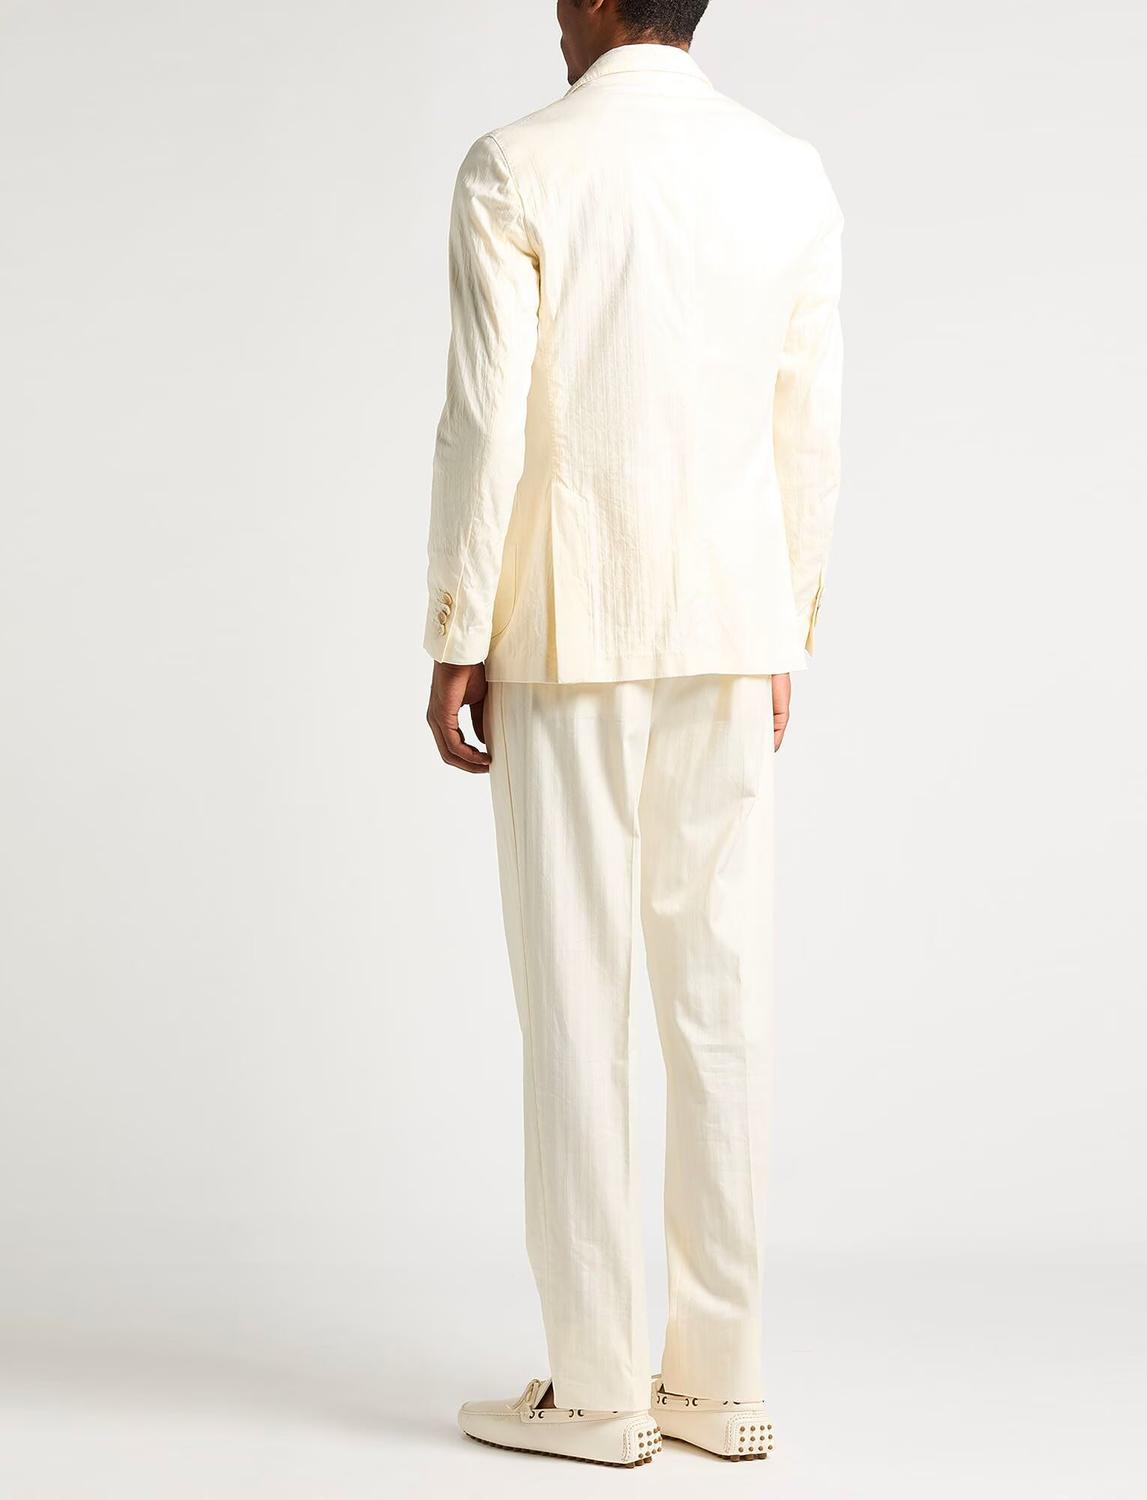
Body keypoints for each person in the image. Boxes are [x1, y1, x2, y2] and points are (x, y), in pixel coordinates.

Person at [424, 0, 842, 1467]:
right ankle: (719, 1386)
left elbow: (486, 418)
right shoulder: (787, 171)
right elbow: (808, 423)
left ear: (600, 2)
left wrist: (456, 627)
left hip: (564, 622)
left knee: (575, 999)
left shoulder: (517, 165)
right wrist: (784, 624)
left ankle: (598, 1389)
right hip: (727, 629)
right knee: (721, 1000)